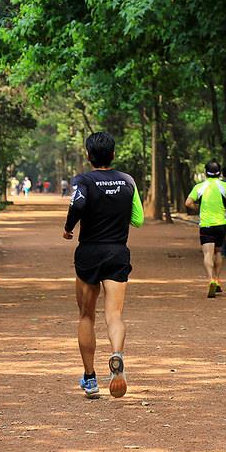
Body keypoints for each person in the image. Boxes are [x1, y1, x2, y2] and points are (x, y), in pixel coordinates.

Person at [63, 131, 144, 399]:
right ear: (113, 154)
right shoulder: (127, 181)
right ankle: (117, 355)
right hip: (117, 252)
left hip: (89, 253)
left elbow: (79, 204)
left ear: (88, 155)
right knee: (115, 315)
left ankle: (90, 378)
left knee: (86, 315)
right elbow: (138, 220)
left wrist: (68, 228)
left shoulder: (83, 180)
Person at [185, 160, 226, 298]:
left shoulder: (199, 187)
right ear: (219, 173)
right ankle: (218, 279)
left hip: (206, 224)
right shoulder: (224, 185)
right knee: (218, 251)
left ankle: (210, 280)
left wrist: (197, 208)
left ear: (205, 173)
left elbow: (188, 202)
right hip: (221, 223)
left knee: (207, 254)